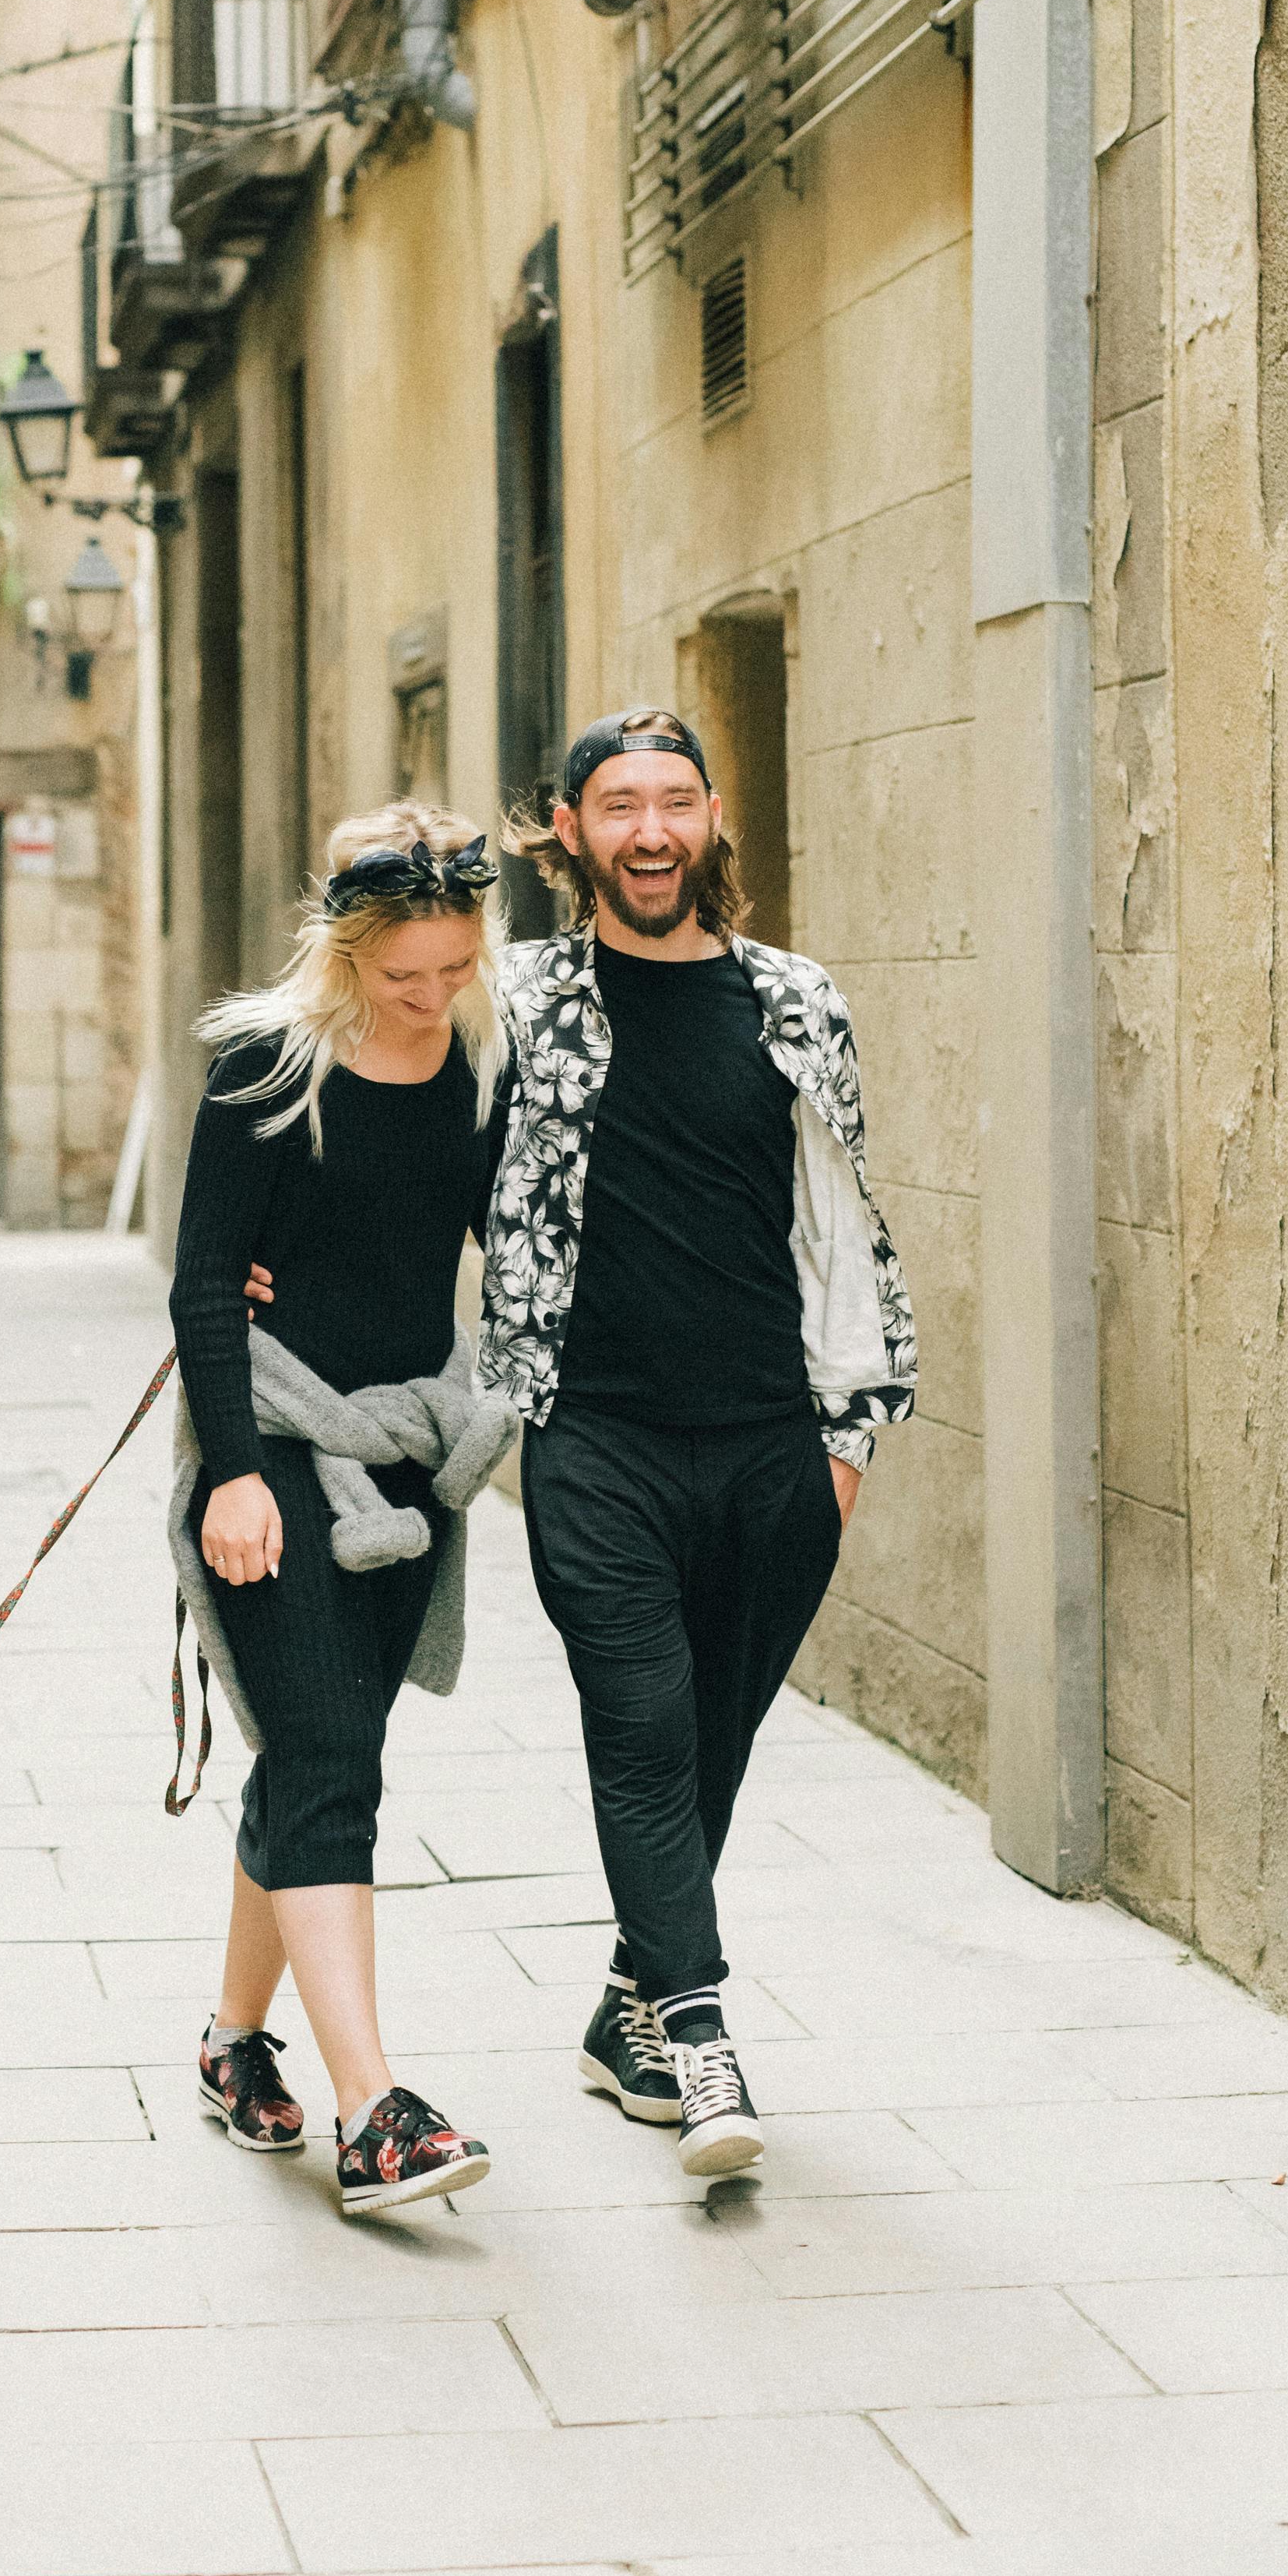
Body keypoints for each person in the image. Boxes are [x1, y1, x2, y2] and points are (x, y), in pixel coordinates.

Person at [484, 708, 917, 2184]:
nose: (652, 831)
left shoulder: (796, 1000)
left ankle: (623, 2018)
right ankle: (701, 2031)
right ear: (566, 829)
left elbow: (843, 1224)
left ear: (713, 820)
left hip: (771, 1447)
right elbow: (401, 1138)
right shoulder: (516, 998)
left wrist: (848, 1438)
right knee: (644, 1726)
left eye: (676, 803)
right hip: (593, 1435)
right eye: (620, 806)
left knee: (714, 1738)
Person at [168, 803, 517, 2218]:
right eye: (403, 976)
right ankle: (375, 2110)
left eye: (453, 968)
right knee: (331, 1763)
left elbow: (517, 1240)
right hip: (277, 1455)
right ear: (346, 953)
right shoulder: (273, 1067)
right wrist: (235, 1475)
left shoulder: (482, 1065)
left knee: (320, 1759)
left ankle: (233, 2045)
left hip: (408, 1458)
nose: (430, 997)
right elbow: (204, 1284)